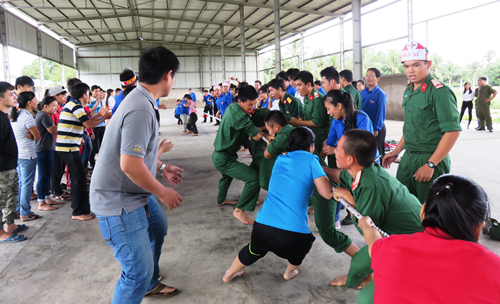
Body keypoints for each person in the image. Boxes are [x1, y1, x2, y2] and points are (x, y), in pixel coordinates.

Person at [91, 46, 184, 303]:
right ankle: (143, 280)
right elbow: (130, 165)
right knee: (135, 273)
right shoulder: (140, 107)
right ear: (168, 75)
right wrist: (162, 191)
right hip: (118, 199)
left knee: (158, 227)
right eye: (174, 76)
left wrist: (162, 167)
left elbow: (138, 157)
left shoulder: (142, 100)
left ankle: (149, 282)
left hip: (133, 192)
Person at [357, 174, 500, 304]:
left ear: (422, 212)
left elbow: (373, 241)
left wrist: (366, 225)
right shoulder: (494, 267)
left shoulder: (389, 248)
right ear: (479, 227)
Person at [223, 127, 331, 283]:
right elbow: (326, 193)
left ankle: (229, 273)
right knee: (299, 252)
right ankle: (289, 272)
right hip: (293, 238)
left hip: (262, 228)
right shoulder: (311, 160)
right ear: (311, 147)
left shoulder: (281, 158)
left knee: (253, 250)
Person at [323, 129, 423, 290]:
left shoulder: (371, 185)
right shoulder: (363, 170)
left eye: (338, 147)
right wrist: (320, 168)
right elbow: (340, 175)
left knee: (360, 262)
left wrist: (348, 197)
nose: (334, 149)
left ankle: (358, 278)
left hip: (412, 239)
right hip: (402, 230)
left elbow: (368, 228)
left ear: (350, 159)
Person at [263, 110, 357, 275]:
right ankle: (292, 264)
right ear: (312, 147)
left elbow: (327, 192)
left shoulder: (298, 154)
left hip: (324, 189)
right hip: (315, 187)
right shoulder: (293, 150)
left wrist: (339, 191)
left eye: (270, 130)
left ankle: (362, 259)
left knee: (327, 233)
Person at [383, 41, 461, 204]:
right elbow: (411, 126)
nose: (410, 70)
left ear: (428, 64)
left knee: (430, 211)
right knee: (404, 205)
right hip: (408, 158)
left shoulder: (439, 92)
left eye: (416, 65)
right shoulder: (409, 90)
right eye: (406, 66)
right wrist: (396, 151)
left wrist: (431, 164)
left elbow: (452, 131)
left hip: (430, 158)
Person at [322, 90, 379, 228]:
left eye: (329, 109)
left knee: (362, 193)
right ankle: (335, 220)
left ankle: (368, 222)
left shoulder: (361, 118)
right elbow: (330, 140)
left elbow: (361, 146)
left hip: (365, 163)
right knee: (341, 187)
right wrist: (326, 149)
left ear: (340, 106)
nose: (328, 113)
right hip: (348, 162)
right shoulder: (336, 121)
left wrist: (335, 148)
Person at [56, 82, 111, 221]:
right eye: (88, 94)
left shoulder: (75, 105)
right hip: (68, 147)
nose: (90, 96)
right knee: (79, 177)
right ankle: (78, 212)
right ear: (84, 95)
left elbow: (88, 120)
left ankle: (76, 206)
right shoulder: (75, 105)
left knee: (78, 177)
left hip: (69, 146)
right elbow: (89, 124)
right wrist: (105, 116)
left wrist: (101, 115)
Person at [212, 85, 263, 225]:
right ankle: (240, 210)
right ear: (240, 101)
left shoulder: (232, 107)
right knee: (254, 178)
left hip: (222, 154)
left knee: (226, 178)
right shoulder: (240, 116)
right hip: (223, 159)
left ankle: (221, 200)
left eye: (255, 103)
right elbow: (257, 136)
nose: (252, 107)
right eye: (249, 104)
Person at [11, 92, 50, 222]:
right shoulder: (27, 117)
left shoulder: (16, 115)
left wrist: (32, 135)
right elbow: (37, 136)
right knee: (27, 184)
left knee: (22, 183)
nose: (37, 101)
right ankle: (26, 212)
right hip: (28, 155)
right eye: (35, 99)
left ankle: (18, 210)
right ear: (29, 103)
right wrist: (33, 135)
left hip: (19, 153)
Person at [0, 82, 27, 242]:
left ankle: (9, 225)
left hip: (10, 165)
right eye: (11, 94)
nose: (15, 97)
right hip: (2, 167)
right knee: (1, 199)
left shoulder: (5, 116)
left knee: (11, 195)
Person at [290, 70, 329, 154]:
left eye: (299, 85)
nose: (297, 89)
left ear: (308, 84)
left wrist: (298, 122)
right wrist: (301, 119)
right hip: (311, 135)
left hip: (319, 137)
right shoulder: (307, 98)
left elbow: (318, 122)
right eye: (296, 85)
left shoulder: (317, 98)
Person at [35, 96, 63, 212]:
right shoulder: (44, 116)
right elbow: (53, 130)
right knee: (42, 177)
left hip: (47, 148)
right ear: (46, 106)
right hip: (43, 149)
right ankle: (41, 202)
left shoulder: (45, 115)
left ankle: (47, 197)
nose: (56, 108)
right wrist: (63, 121)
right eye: (54, 106)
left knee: (47, 175)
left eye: (56, 106)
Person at [360, 68, 387, 159]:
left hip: (376, 128)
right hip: (364, 127)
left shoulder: (380, 94)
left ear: (377, 79)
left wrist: (376, 129)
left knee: (378, 152)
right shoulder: (362, 93)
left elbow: (381, 113)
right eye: (367, 75)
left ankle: (380, 171)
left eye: (371, 76)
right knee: (366, 152)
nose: (368, 78)